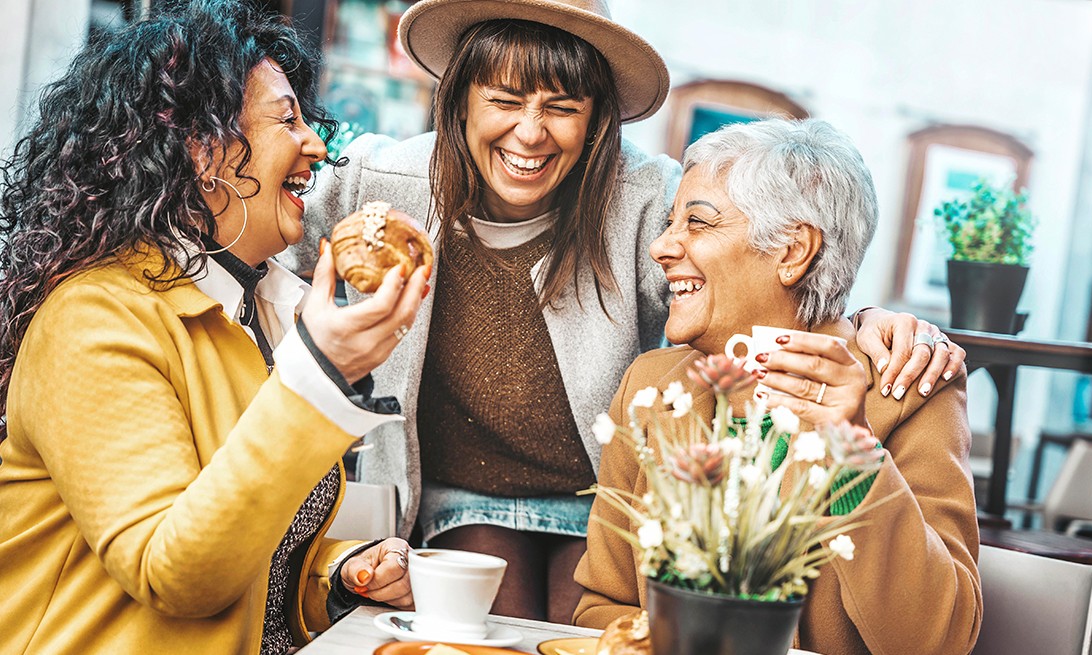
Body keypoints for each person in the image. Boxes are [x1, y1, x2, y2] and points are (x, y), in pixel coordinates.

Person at [285, 0, 965, 624]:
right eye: (504, 98)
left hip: (602, 489)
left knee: (585, 616)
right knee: (493, 616)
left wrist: (870, 320)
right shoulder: (378, 182)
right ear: (459, 99)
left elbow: (765, 271)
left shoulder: (648, 200)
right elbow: (261, 235)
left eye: (562, 105)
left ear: (599, 116)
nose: (530, 132)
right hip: (458, 491)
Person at [0, 2, 425, 653]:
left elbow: (250, 545)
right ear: (202, 149)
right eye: (288, 119)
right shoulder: (92, 319)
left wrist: (335, 575)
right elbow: (175, 575)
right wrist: (315, 378)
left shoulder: (256, 310)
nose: (315, 143)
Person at [573, 119, 982, 655]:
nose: (661, 247)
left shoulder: (908, 386)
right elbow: (603, 607)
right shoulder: (650, 386)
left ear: (793, 251)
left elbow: (938, 641)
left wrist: (851, 451)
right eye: (671, 221)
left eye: (697, 222)